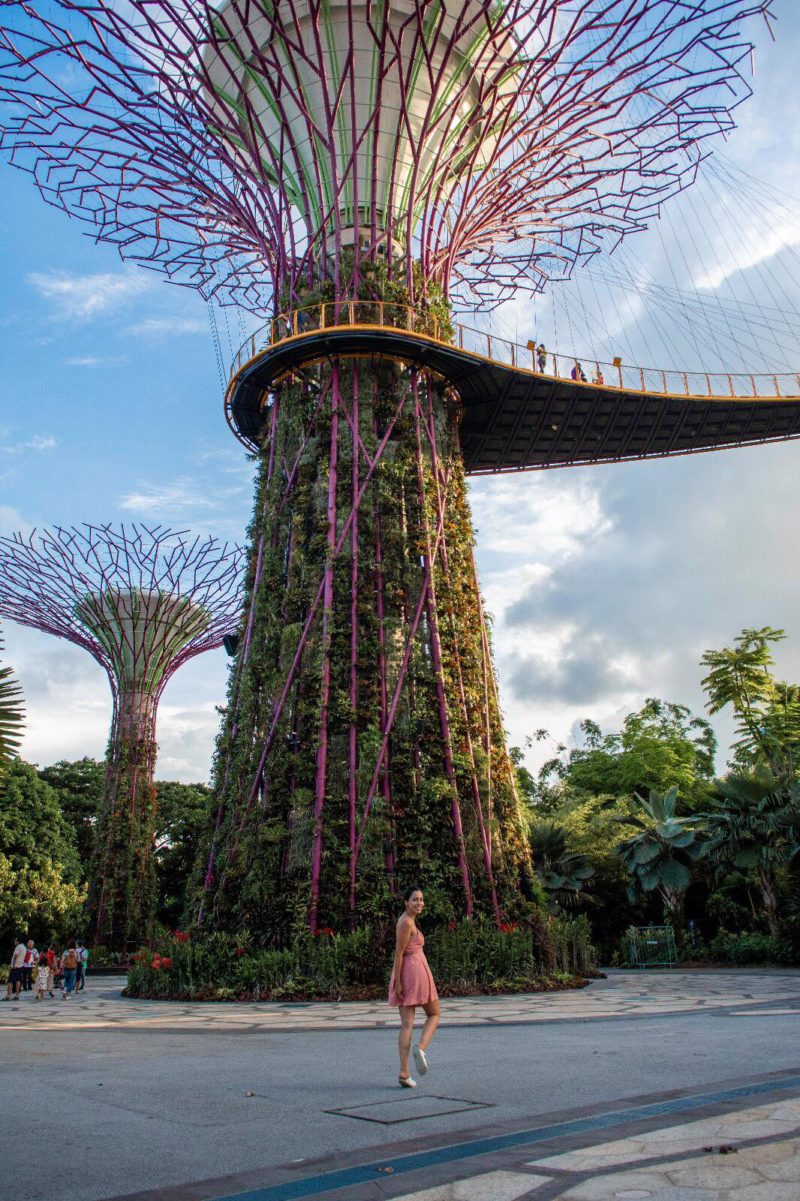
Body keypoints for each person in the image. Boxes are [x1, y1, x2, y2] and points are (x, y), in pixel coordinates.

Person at [388, 886, 440, 1088]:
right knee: (434, 1014)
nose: (419, 903)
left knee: (407, 1024)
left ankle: (404, 1072)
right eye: (415, 900)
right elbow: (398, 953)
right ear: (406, 903)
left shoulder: (408, 921)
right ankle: (420, 1048)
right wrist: (399, 982)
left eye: (421, 899)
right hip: (413, 973)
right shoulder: (406, 923)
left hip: (413, 972)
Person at [3, 936, 28, 1001]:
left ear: (18, 941)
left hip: (15, 966)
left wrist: (13, 965)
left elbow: (16, 956)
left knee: (10, 981)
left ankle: (8, 995)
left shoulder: (18, 947)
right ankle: (17, 995)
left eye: (15, 940)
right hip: (21, 965)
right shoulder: (24, 947)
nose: (14, 942)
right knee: (18, 980)